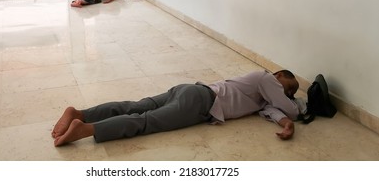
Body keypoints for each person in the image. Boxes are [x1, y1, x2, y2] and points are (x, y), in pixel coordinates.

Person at [51, 69, 300, 146]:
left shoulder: (265, 97)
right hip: (201, 102)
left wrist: (287, 124)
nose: (284, 92)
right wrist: (294, 104)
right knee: (145, 121)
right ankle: (87, 129)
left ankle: (80, 113)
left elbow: (276, 111)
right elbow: (291, 108)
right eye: (285, 86)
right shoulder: (265, 77)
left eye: (288, 92)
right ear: (277, 75)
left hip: (190, 91)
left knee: (135, 106)